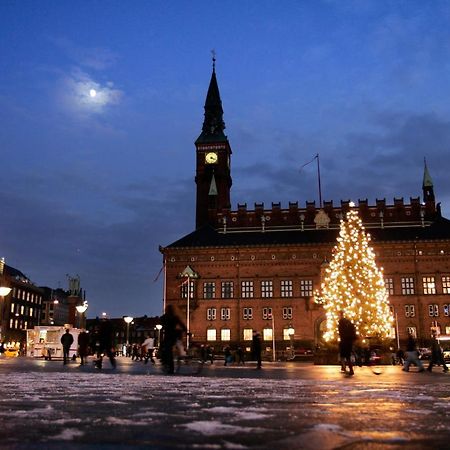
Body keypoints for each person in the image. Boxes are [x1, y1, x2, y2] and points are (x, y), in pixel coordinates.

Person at [160, 304, 187, 374]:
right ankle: (169, 366)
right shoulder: (175, 317)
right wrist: (185, 331)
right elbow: (182, 326)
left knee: (165, 350)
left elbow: (161, 323)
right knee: (168, 351)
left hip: (168, 336)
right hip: (174, 336)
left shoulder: (164, 317)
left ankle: (167, 365)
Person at [338, 311, 357, 376]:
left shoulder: (341, 324)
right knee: (347, 355)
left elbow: (341, 333)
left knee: (344, 355)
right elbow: (353, 331)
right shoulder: (350, 324)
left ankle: (347, 368)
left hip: (344, 341)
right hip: (349, 341)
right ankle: (346, 367)